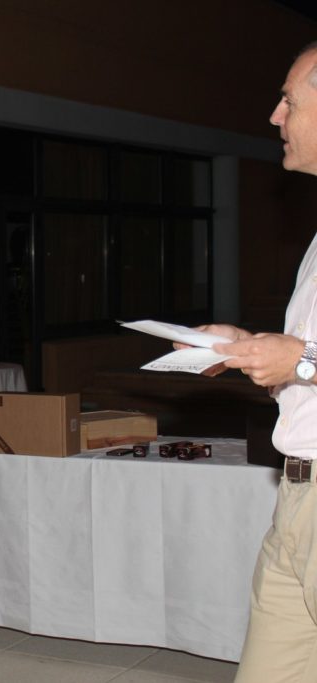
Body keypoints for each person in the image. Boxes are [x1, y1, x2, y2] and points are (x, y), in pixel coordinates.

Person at [186, 43, 317, 683]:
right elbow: (303, 365)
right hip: (296, 497)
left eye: (289, 100)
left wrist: (303, 363)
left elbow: (308, 364)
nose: (274, 116)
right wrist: (245, 347)